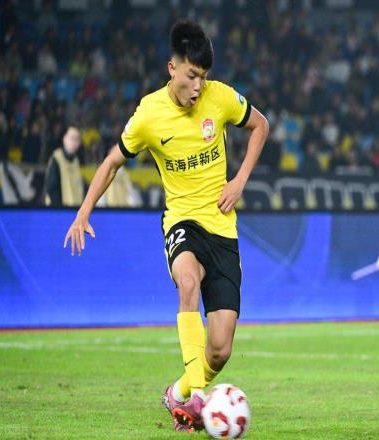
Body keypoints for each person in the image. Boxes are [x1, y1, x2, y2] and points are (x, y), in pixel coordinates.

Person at [63, 20, 269, 432]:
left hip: (222, 227)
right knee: (187, 283)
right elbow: (112, 162)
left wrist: (240, 180)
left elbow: (260, 125)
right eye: (192, 75)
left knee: (220, 350)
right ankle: (197, 399)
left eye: (203, 77)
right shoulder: (149, 115)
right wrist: (84, 211)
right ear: (172, 68)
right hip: (181, 221)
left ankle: (179, 392)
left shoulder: (220, 97)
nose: (198, 86)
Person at [44, 126, 84, 207]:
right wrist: (59, 209)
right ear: (64, 139)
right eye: (72, 138)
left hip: (75, 209)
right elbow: (52, 188)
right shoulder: (56, 158)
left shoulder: (76, 160)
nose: (74, 142)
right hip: (59, 210)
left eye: (77, 139)